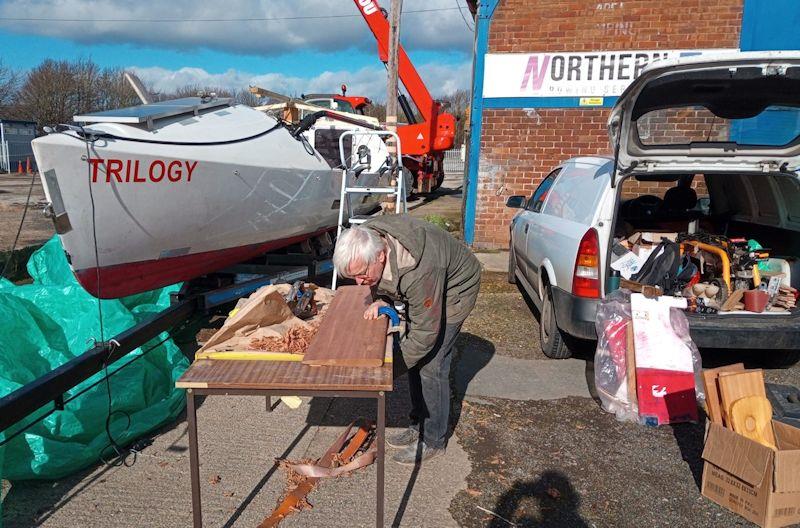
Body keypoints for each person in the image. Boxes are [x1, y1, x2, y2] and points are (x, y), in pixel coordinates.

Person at [332, 214, 481, 465]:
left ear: (380, 256)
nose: (359, 283)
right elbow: (383, 282)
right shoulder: (366, 237)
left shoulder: (419, 270)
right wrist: (382, 298)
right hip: (427, 282)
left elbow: (425, 336)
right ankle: (417, 422)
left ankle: (434, 439)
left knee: (432, 364)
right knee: (413, 351)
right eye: (353, 277)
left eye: (361, 274)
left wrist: (388, 371)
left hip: (457, 286)